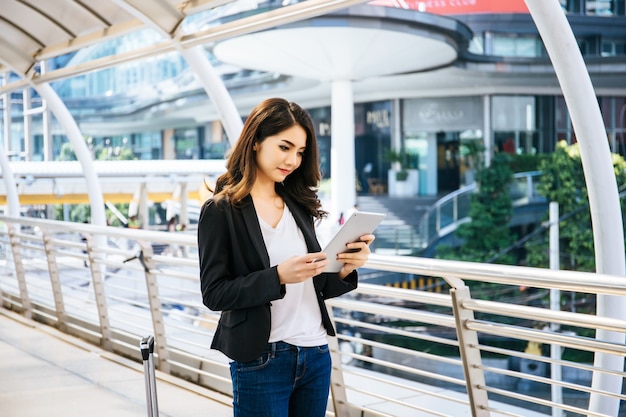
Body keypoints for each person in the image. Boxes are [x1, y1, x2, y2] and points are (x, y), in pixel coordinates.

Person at [197, 97, 375, 417]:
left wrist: (346, 267)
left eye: (300, 152)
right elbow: (214, 293)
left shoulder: (298, 204)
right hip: (262, 358)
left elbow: (315, 283)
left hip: (316, 353)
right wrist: (277, 276)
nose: (293, 159)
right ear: (255, 142)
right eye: (284, 147)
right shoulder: (221, 209)